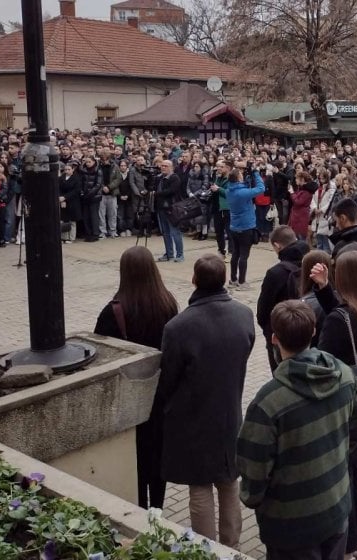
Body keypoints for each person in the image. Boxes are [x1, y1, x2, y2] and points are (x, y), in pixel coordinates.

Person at [238, 301, 357, 560]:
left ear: (274, 338)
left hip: (290, 524)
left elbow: (254, 470)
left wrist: (255, 499)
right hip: (336, 507)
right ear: (313, 331)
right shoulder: (344, 375)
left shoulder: (268, 402)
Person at [157, 254, 255, 546]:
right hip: (229, 410)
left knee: (199, 487)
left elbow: (167, 380)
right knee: (229, 482)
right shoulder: (243, 314)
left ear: (194, 280)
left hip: (193, 416)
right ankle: (232, 546)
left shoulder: (178, 327)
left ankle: (207, 549)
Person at [307, 252, 357, 560]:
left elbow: (322, 360)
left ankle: (351, 543)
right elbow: (346, 320)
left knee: (347, 471)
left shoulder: (340, 320)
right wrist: (325, 289)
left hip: (346, 396)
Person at [93, 246, 179, 509]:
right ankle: (158, 511)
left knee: (137, 459)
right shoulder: (168, 303)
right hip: (161, 394)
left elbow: (101, 354)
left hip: (129, 397)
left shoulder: (114, 311)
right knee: (158, 458)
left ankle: (140, 510)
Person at [258, 225, 310, 370]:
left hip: (281, 334)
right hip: (307, 331)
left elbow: (263, 312)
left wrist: (270, 334)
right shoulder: (311, 262)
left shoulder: (276, 273)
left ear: (277, 245)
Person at [225, 167, 267, 289]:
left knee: (235, 254)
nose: (242, 175)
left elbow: (242, 186)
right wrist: (256, 173)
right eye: (241, 174)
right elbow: (261, 188)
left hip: (234, 226)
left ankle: (233, 279)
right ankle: (242, 282)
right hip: (246, 226)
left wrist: (247, 179)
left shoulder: (229, 190)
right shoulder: (242, 193)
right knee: (244, 255)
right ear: (238, 178)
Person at [154, 160, 185, 262]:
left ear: (171, 168)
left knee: (175, 232)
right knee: (165, 232)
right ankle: (169, 254)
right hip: (161, 208)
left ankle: (180, 255)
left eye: (166, 166)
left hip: (171, 208)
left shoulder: (174, 178)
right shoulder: (159, 178)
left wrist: (157, 193)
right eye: (162, 166)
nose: (163, 168)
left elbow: (171, 191)